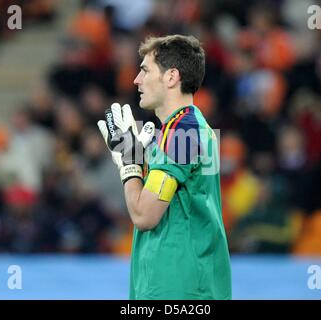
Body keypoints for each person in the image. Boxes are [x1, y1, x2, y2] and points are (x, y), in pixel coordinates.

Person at [97, 34, 232, 299]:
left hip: (179, 288)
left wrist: (130, 164)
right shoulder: (189, 128)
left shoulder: (183, 132)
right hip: (186, 283)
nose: (136, 80)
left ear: (171, 77)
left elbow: (145, 216)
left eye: (145, 70)